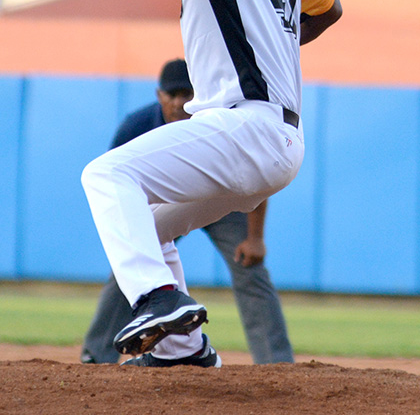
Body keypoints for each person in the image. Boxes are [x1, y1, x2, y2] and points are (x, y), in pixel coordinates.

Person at [81, 0, 342, 368]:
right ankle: (185, 350)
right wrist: (269, 36)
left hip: (243, 128)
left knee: (106, 177)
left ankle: (158, 298)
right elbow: (331, 8)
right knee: (152, 225)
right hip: (278, 142)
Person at [80, 59, 294, 365]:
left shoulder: (216, 119)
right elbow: (117, 190)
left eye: (187, 93)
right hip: (164, 201)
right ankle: (97, 355)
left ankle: (277, 363)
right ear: (159, 96)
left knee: (251, 272)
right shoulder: (138, 125)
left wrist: (256, 237)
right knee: (133, 270)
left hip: (224, 199)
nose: (181, 101)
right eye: (173, 93)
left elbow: (255, 176)